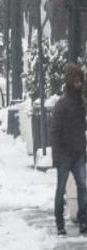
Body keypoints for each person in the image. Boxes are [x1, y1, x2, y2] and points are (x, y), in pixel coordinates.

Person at [50, 63, 87, 236]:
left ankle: (83, 219)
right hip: (65, 154)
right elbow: (55, 132)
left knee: (82, 187)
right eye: (77, 81)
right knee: (61, 188)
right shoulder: (62, 105)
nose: (80, 84)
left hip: (78, 153)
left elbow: (81, 128)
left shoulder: (81, 104)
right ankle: (60, 222)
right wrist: (56, 157)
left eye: (81, 81)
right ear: (71, 82)